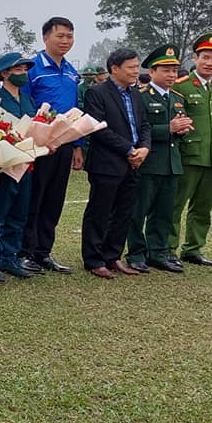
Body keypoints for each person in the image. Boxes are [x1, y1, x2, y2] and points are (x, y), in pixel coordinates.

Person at [81, 48, 150, 279]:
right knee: (100, 211)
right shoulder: (96, 93)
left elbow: (144, 125)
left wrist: (144, 148)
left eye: (137, 66)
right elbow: (99, 129)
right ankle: (93, 259)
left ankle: (112, 256)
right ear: (115, 68)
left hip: (133, 163)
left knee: (123, 213)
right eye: (131, 67)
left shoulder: (136, 94)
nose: (135, 71)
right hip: (106, 163)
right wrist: (129, 149)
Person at [22, 17, 83, 274]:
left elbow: (75, 111)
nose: (65, 41)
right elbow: (24, 106)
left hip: (65, 144)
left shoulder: (71, 71)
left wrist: (78, 145)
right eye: (60, 36)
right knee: (33, 198)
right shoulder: (32, 69)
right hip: (39, 145)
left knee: (55, 199)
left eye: (69, 36)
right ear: (45, 37)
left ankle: (43, 252)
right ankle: (24, 252)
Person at [124, 45, 190, 273]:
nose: (171, 75)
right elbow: (137, 131)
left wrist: (182, 131)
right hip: (148, 162)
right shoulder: (140, 97)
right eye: (166, 70)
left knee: (164, 212)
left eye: (174, 70)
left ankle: (158, 252)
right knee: (139, 211)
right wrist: (168, 128)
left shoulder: (178, 98)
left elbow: (180, 129)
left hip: (171, 163)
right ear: (152, 72)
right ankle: (135, 253)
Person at [169, 34, 212, 268]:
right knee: (176, 204)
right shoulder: (181, 86)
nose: (210, 63)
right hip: (188, 156)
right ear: (195, 58)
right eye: (205, 57)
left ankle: (193, 249)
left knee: (203, 208)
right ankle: (168, 249)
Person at [0, 53, 39, 279]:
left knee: (18, 214)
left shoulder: (27, 99)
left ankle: (9, 257)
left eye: (25, 70)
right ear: (5, 74)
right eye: (18, 70)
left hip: (25, 166)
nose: (23, 74)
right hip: (2, 166)